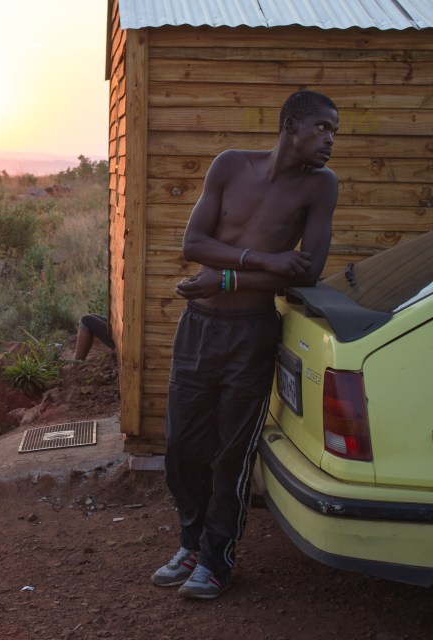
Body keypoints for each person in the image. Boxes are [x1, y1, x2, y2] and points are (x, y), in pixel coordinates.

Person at [151, 90, 339, 599]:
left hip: (252, 333)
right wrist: (264, 260)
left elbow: (307, 271)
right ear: (290, 125)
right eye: (321, 128)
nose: (328, 141)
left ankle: (216, 559)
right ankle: (191, 542)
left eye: (333, 133)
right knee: (181, 451)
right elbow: (193, 244)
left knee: (232, 454)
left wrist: (229, 278)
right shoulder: (230, 166)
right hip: (198, 327)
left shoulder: (320, 187)